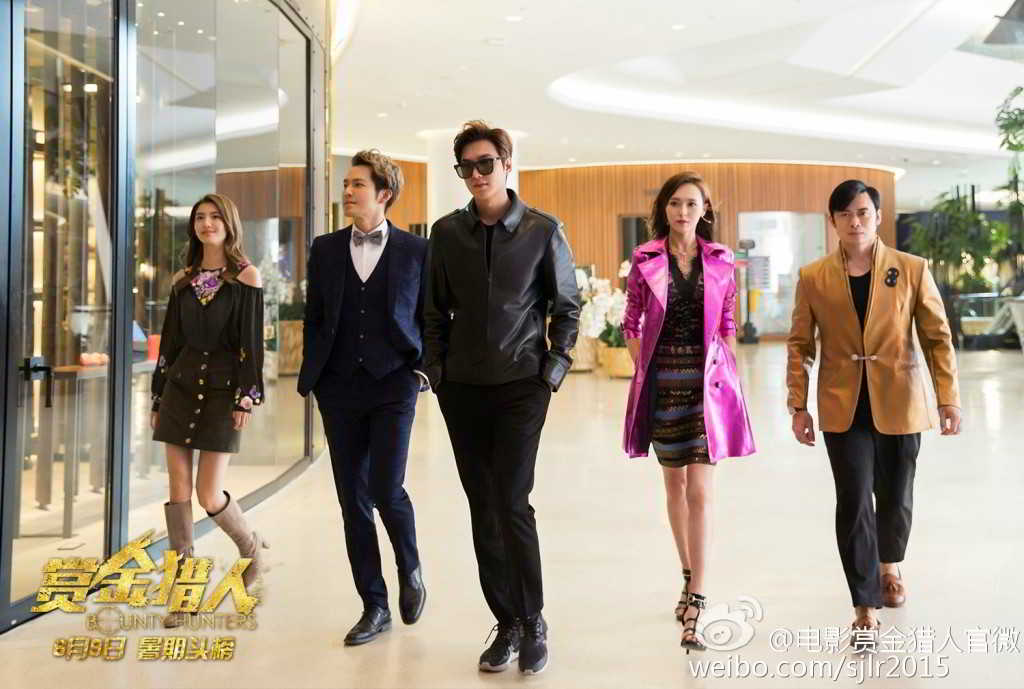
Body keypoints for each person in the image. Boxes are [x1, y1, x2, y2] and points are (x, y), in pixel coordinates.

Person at [423, 120, 580, 675]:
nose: (476, 174)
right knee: (482, 505)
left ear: (506, 164)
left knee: (511, 500)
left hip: (521, 386)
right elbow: (432, 310)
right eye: (466, 167)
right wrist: (437, 371)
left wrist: (551, 371)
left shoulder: (543, 230)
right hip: (462, 389)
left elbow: (567, 307)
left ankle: (533, 619)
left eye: (485, 163)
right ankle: (506, 621)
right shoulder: (447, 233)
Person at [786, 179, 962, 634]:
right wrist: (797, 404)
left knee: (896, 495)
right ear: (833, 221)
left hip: (900, 398)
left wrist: (948, 397)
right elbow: (800, 344)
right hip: (842, 403)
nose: (855, 222)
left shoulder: (911, 268)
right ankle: (864, 604)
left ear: (878, 216)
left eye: (863, 212)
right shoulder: (814, 276)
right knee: (853, 499)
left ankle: (890, 565)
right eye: (845, 214)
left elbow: (937, 338)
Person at [298, 150, 429, 646]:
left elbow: (431, 316)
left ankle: (410, 569)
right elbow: (315, 315)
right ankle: (374, 605)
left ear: (384, 194)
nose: (347, 191)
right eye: (346, 184)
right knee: (351, 500)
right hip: (338, 387)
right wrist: (317, 374)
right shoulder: (325, 248)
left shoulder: (417, 250)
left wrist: (422, 369)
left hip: (394, 382)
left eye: (357, 184)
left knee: (386, 487)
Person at [622, 172, 755, 653]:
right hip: (663, 385)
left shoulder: (720, 260)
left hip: (706, 386)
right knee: (674, 486)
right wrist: (643, 368)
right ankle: (686, 572)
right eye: (675, 203)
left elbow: (728, 322)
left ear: (705, 210)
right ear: (665, 208)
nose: (683, 212)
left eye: (691, 204)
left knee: (700, 489)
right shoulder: (645, 259)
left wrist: (729, 377)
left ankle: (698, 594)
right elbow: (631, 320)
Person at [150, 193, 268, 628]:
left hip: (222, 394)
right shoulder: (182, 280)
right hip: (179, 391)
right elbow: (170, 343)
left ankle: (250, 548)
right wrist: (158, 396)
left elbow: (251, 344)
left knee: (208, 494)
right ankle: (183, 593)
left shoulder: (246, 277)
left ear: (229, 223)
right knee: (178, 491)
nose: (207, 223)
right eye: (200, 217)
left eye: (215, 216)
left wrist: (247, 396)